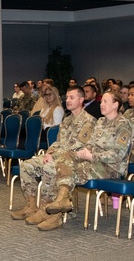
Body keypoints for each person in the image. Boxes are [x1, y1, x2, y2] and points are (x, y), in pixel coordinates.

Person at [18, 91, 133, 232]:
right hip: (93, 162)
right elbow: (89, 144)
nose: (101, 104)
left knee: (59, 167)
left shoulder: (123, 125)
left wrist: (91, 155)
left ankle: (56, 212)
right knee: (63, 163)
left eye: (105, 102)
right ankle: (57, 204)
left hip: (110, 168)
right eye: (101, 101)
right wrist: (56, 153)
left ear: (116, 105)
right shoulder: (101, 122)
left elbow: (118, 154)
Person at [12, 85, 96, 222]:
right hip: (58, 156)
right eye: (67, 97)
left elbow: (78, 147)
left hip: (73, 161)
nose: (68, 100)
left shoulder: (89, 121)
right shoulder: (67, 120)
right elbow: (58, 142)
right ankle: (31, 206)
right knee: (26, 166)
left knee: (50, 167)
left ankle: (47, 211)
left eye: (72, 97)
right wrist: (49, 153)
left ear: (81, 100)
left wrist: (54, 157)